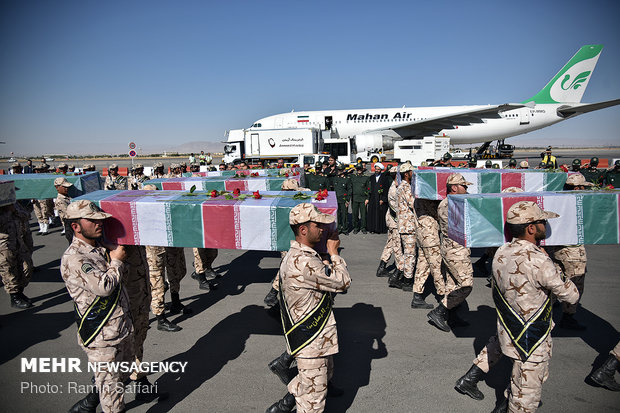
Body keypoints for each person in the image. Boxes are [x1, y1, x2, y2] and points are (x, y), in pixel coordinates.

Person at [491, 201, 578, 412]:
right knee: (525, 402)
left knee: (518, 384)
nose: (545, 225)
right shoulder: (538, 260)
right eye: (542, 221)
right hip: (533, 340)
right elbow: (572, 296)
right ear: (531, 228)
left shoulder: (501, 251)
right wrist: (558, 268)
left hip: (510, 332)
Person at [266, 203, 351, 413]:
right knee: (313, 404)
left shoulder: (300, 255)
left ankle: (283, 406)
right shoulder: (305, 262)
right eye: (318, 225)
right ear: (303, 230)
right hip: (312, 342)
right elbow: (342, 282)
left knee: (312, 382)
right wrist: (334, 253)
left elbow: (324, 281)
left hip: (317, 339)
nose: (322, 229)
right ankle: (287, 405)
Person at [61, 200, 133, 413]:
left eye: (99, 219)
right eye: (91, 221)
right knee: (113, 399)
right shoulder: (75, 258)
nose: (98, 224)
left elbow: (122, 279)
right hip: (101, 337)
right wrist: (117, 260)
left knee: (118, 380)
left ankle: (89, 402)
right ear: (76, 226)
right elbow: (104, 287)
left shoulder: (99, 247)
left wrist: (114, 256)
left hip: (119, 328)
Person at [546, 173, 593, 331]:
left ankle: (543, 315)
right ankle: (568, 317)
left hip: (557, 249)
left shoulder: (560, 201)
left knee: (554, 282)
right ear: (578, 188)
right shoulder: (579, 203)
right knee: (575, 285)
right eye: (583, 187)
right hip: (573, 251)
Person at [428, 173, 474, 332]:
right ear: (454, 188)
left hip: (455, 250)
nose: (466, 189)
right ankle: (439, 311)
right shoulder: (449, 205)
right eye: (464, 186)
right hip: (456, 251)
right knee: (466, 285)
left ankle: (452, 317)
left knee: (453, 285)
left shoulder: (455, 203)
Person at [389, 163, 416, 291]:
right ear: (406, 174)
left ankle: (398, 277)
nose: (413, 174)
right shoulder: (405, 187)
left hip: (405, 225)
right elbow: (413, 203)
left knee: (407, 254)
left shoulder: (402, 186)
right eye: (412, 172)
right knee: (410, 255)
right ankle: (407, 282)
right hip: (408, 226)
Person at [1, 202, 33, 309]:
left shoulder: (13, 204)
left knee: (26, 266)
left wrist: (13, 210)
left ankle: (20, 290)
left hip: (18, 240)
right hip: (3, 244)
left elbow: (26, 216)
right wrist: (4, 210)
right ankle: (14, 297)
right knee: (8, 270)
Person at [377, 166, 403, 278]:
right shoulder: (395, 189)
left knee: (390, 244)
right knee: (397, 246)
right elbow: (398, 209)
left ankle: (382, 267)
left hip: (392, 221)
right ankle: (399, 271)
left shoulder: (394, 186)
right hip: (395, 221)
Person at [366, 163, 390, 234]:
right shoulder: (371, 177)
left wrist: (383, 199)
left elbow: (386, 190)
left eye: (378, 169)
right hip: (373, 199)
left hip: (380, 199)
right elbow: (369, 188)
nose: (376, 170)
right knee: (372, 214)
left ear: (381, 170)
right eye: (376, 169)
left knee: (380, 214)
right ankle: (372, 228)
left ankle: (379, 229)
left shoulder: (384, 178)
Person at [332, 164, 351, 234]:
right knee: (338, 215)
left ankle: (345, 229)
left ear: (343, 170)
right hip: (337, 199)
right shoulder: (336, 178)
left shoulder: (347, 179)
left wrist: (347, 200)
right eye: (338, 170)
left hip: (343, 199)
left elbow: (349, 190)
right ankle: (339, 228)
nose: (339, 171)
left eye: (340, 170)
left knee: (344, 215)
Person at [349, 164, 369, 234]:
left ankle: (363, 228)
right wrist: (351, 170)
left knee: (363, 215)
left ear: (363, 169)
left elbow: (369, 188)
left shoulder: (366, 178)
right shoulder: (352, 177)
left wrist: (367, 198)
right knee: (355, 214)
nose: (359, 170)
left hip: (363, 199)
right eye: (357, 169)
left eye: (360, 169)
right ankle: (356, 228)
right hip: (355, 198)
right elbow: (343, 173)